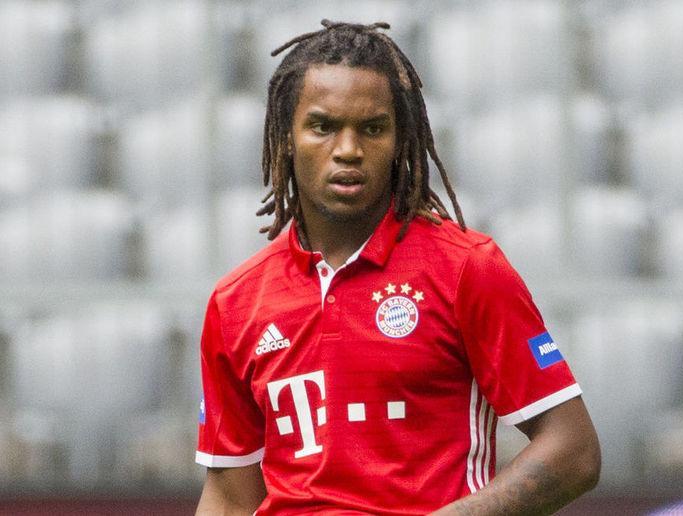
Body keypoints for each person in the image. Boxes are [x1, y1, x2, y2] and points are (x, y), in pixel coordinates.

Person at [195, 20, 601, 515]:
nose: (347, 150)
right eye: (322, 126)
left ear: (400, 139)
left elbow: (573, 451)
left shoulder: (467, 269)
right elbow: (230, 498)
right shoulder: (235, 301)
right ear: (285, 137)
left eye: (372, 128)